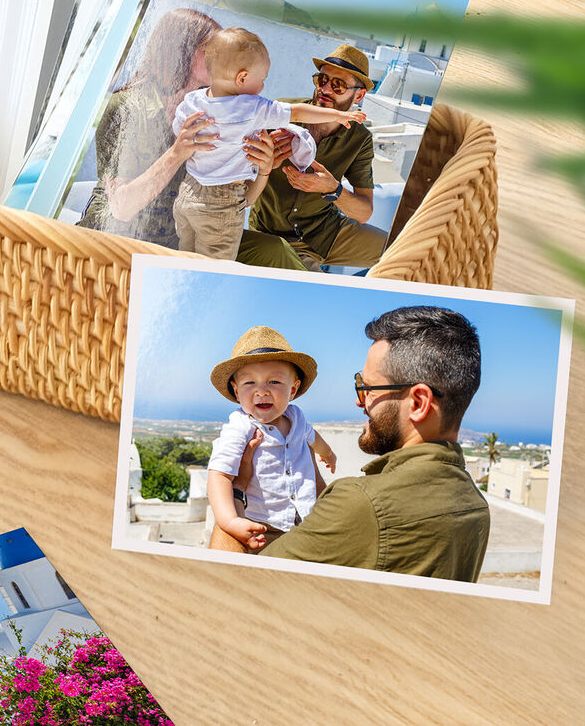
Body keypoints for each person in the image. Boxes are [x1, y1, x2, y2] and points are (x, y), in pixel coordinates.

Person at [260, 306, 490, 580]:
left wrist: (236, 489)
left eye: (367, 388)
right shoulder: (476, 507)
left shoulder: (361, 503)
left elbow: (237, 580)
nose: (360, 400)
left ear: (418, 402)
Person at [170, 29, 363, 259]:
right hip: (221, 205)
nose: (262, 88)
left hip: (187, 194)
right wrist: (338, 115)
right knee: (214, 272)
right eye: (261, 80)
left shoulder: (194, 100)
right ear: (242, 78)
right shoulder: (253, 108)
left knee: (185, 260)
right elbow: (298, 112)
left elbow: (179, 129)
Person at [75, 8, 222, 248]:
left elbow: (227, 200)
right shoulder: (126, 107)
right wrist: (177, 153)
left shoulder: (207, 114)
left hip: (170, 245)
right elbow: (122, 208)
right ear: (179, 50)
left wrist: (264, 169)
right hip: (110, 243)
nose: (221, 60)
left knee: (270, 251)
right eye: (210, 51)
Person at [238, 44, 388, 271]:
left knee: (405, 253)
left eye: (337, 85)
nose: (325, 89)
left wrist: (332, 189)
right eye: (322, 80)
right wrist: (265, 167)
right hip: (272, 235)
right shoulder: (281, 112)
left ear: (359, 95)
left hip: (326, 233)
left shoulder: (360, 139)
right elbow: (239, 185)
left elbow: (364, 212)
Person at [204, 326, 337, 553]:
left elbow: (313, 437)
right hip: (261, 526)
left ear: (293, 389)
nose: (261, 391)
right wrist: (231, 521)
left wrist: (328, 454)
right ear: (236, 392)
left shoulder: (296, 417)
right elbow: (219, 474)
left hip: (305, 522)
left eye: (274, 382)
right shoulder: (241, 426)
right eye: (249, 383)